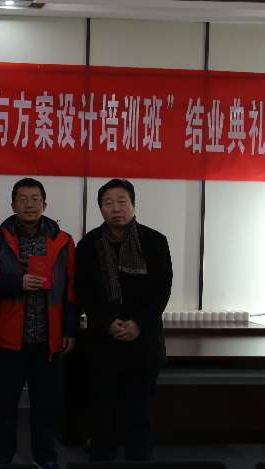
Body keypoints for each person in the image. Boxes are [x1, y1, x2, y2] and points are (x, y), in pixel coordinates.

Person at [76, 178, 172, 461]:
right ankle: (102, 457)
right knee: (103, 410)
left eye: (121, 202)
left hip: (144, 341)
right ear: (100, 209)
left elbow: (162, 288)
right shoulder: (88, 244)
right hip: (104, 340)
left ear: (133, 204)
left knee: (139, 411)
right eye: (108, 203)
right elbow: (84, 290)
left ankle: (138, 459)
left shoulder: (155, 241)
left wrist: (138, 323)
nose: (115, 208)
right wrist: (108, 322)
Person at [0, 177, 78, 468]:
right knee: (5, 405)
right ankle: (1, 458)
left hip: (48, 338)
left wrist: (69, 329)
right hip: (9, 339)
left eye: (35, 199)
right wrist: (18, 282)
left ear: (44, 204)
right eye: (22, 199)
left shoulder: (63, 241)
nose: (29, 204)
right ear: (13, 205)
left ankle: (45, 457)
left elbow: (72, 288)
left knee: (45, 405)